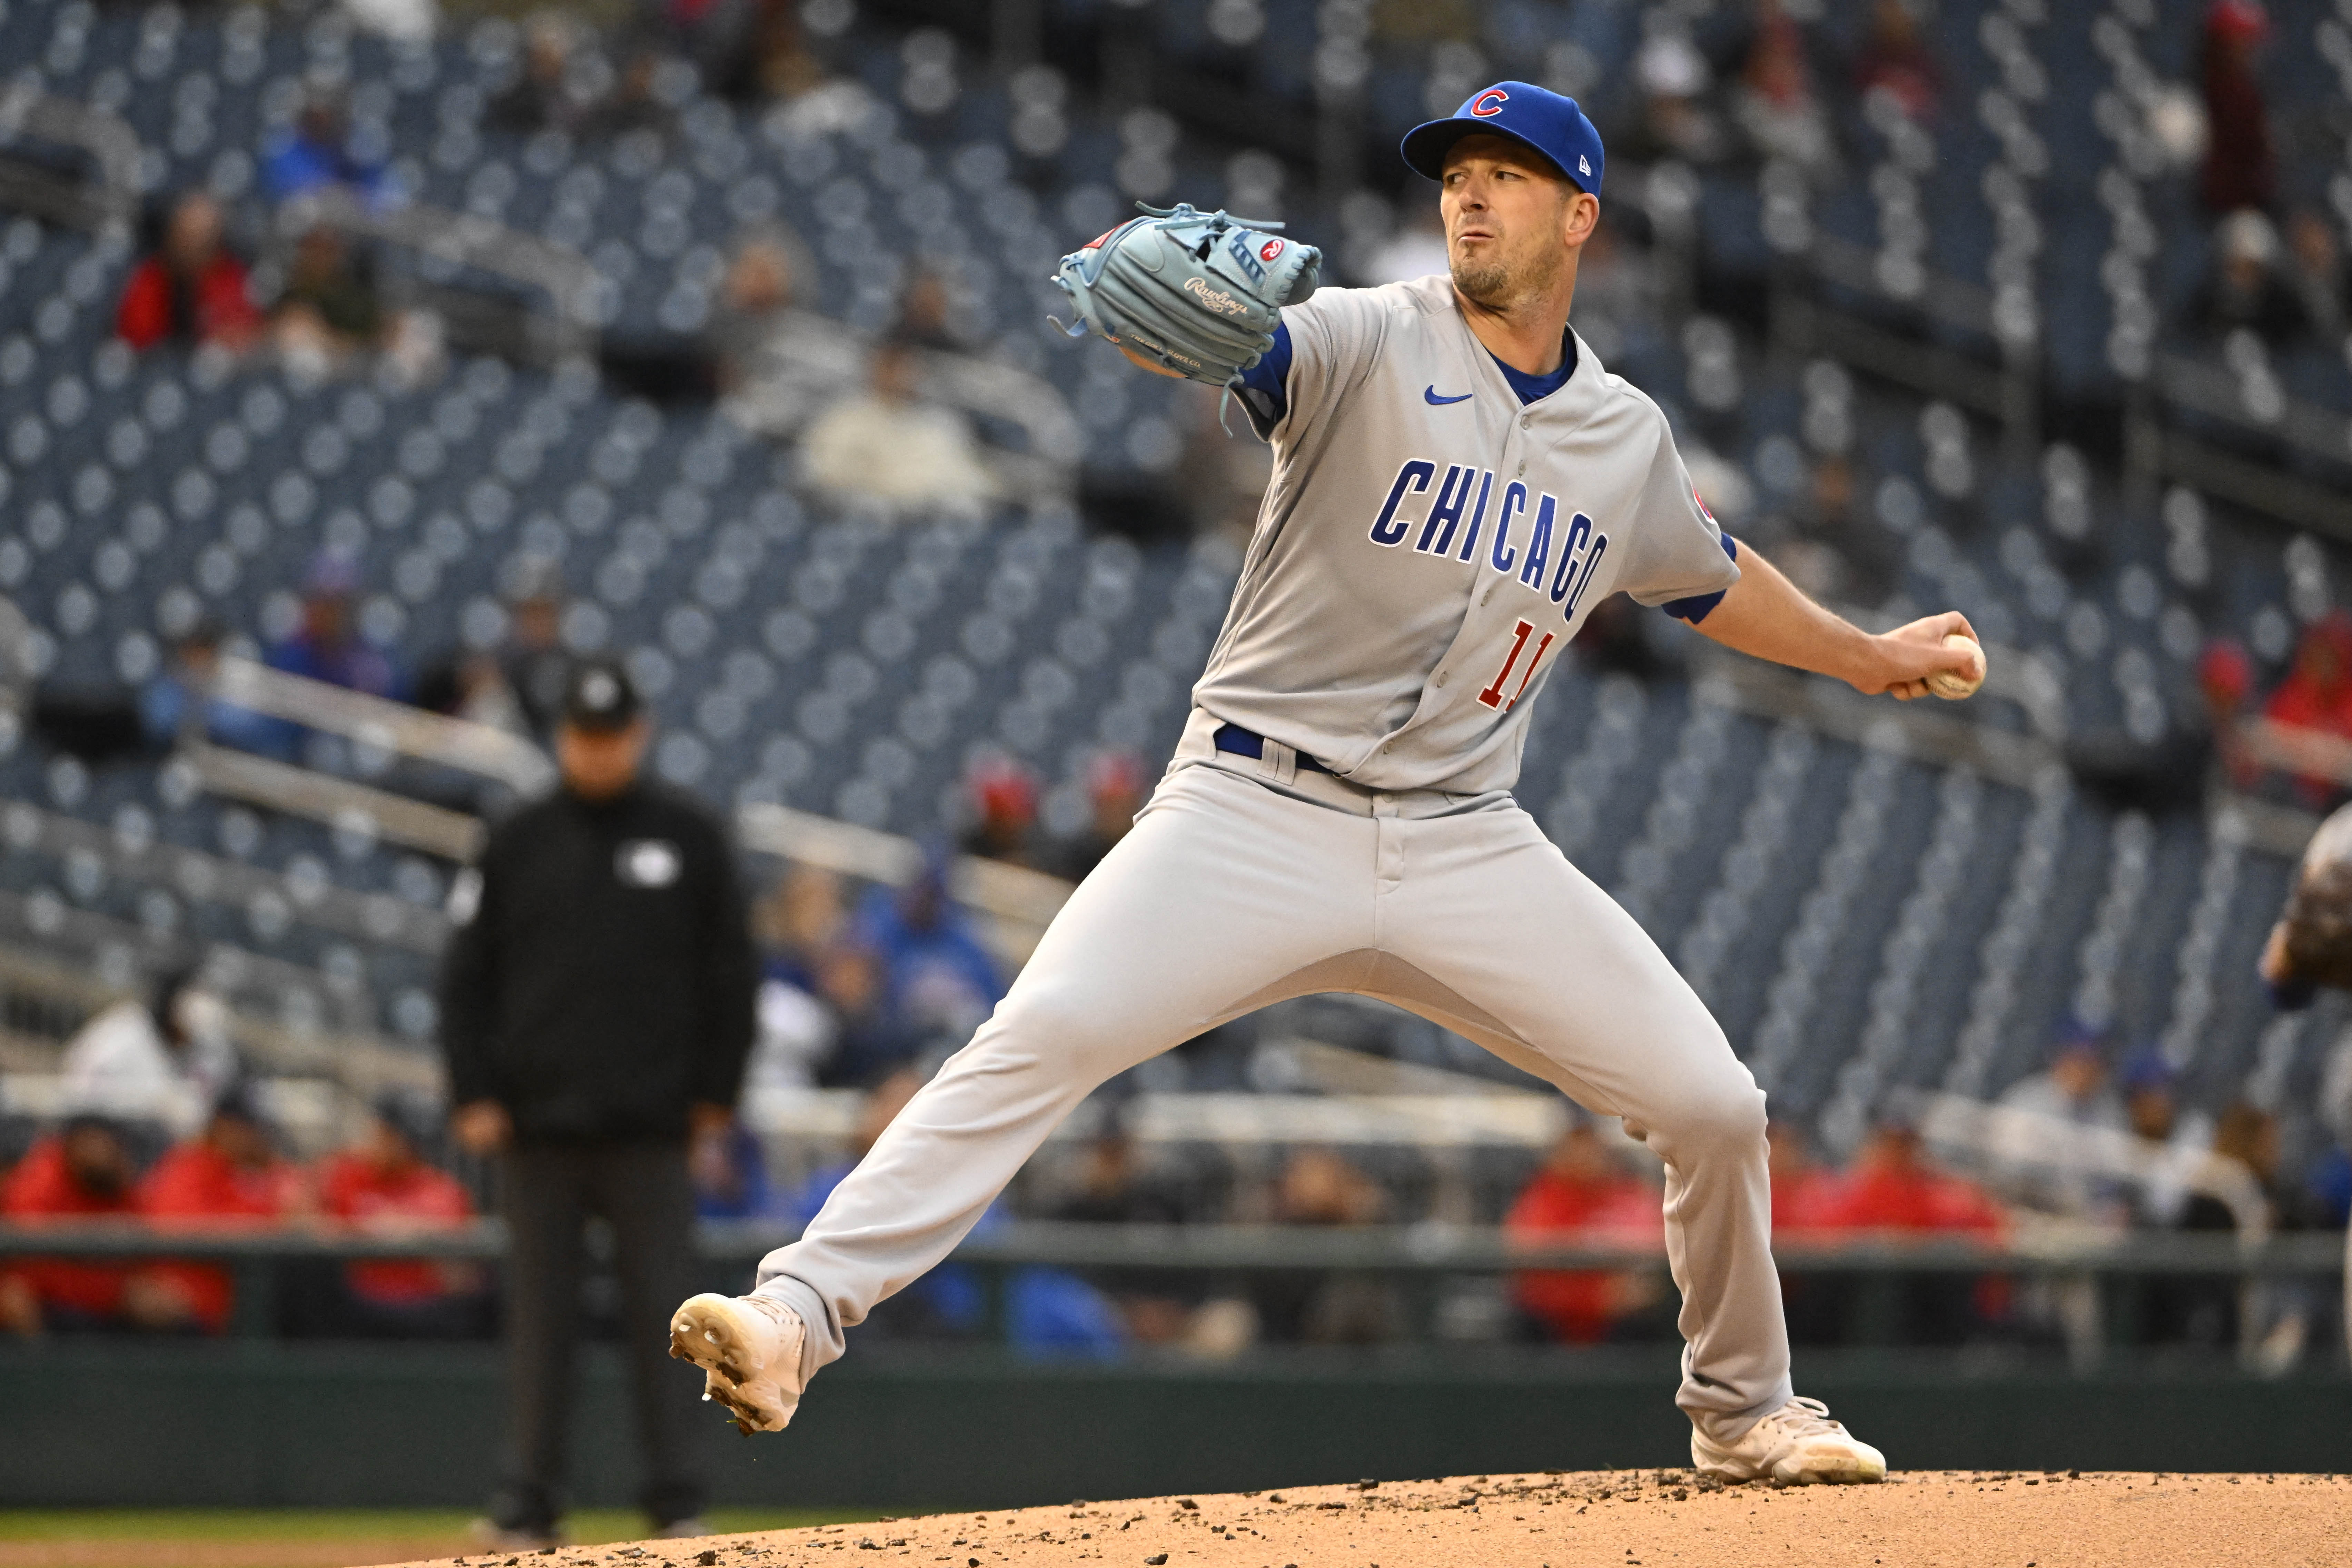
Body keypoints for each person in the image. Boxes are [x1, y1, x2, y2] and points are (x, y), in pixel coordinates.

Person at [672, 79, 1984, 1486]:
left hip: (1464, 836)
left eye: (1510, 175)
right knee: (1041, 1029)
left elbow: (1712, 579)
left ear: (1580, 214)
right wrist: (1215, 325)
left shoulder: (1624, 439)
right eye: (1456, 173)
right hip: (1251, 810)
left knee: (1715, 1104)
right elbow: (1257, 349)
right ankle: (796, 1315)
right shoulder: (1365, 335)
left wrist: (1861, 655)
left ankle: (1744, 1405)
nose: (1471, 195)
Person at [437, 657, 757, 1547]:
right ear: (561, 736)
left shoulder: (690, 835)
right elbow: (466, 976)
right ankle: (527, 1505)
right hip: (540, 1129)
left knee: (681, 1327)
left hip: (653, 1131)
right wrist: (475, 1088)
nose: (600, 751)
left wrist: (715, 1094)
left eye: (613, 736)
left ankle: (677, 1502)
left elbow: (731, 972)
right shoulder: (517, 838)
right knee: (540, 1328)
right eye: (584, 735)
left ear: (640, 734)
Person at [135, 1084, 305, 1335]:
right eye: (249, 1128)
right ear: (222, 1126)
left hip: (241, 1313)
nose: (258, 1137)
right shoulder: (188, 1166)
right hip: (189, 1314)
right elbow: (186, 1231)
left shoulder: (252, 1169)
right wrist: (278, 1220)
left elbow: (301, 1206)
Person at [310, 1093, 484, 1338]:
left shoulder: (441, 1191)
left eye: (391, 1135)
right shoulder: (346, 1175)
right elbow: (307, 1224)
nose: (378, 1141)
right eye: (381, 1132)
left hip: (425, 1315)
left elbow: (461, 1275)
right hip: (353, 1311)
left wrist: (407, 1230)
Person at [1505, 1119, 1667, 1346]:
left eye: (1591, 1145)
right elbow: (1529, 1271)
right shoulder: (1541, 1197)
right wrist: (1593, 1297)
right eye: (1575, 1145)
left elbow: (1652, 1254)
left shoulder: (1631, 1194)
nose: (1584, 1154)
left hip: (1622, 1325)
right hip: (1551, 1323)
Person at [797, 337, 998, 513]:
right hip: (861, 514)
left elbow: (965, 479)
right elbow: (817, 473)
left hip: (926, 517)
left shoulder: (939, 425)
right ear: (873, 369)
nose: (898, 377)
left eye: (906, 369)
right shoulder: (841, 418)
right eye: (890, 368)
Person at [0, 1115, 144, 1336]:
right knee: (15, 1299)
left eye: (106, 1145)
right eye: (90, 1143)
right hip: (50, 1300)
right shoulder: (44, 1176)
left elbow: (145, 1232)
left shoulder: (115, 1179)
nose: (99, 1152)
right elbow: (27, 1242)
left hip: (106, 1301)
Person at [57, 969, 239, 1138]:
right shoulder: (125, 1035)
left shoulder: (206, 1051)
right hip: (103, 1136)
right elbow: (78, 1094)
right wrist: (154, 1105)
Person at [115, 192, 264, 354]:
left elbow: (243, 333)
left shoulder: (229, 277)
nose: (193, 247)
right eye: (187, 237)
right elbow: (136, 333)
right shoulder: (151, 278)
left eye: (204, 240)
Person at [267, 550, 399, 701]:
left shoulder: (371, 668)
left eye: (337, 606)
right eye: (321, 603)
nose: (328, 615)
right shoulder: (291, 659)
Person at [2198, 0, 2273, 219]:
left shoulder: (2252, 97)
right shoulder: (2198, 99)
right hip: (2218, 212)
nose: (2252, 51)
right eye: (2244, 41)